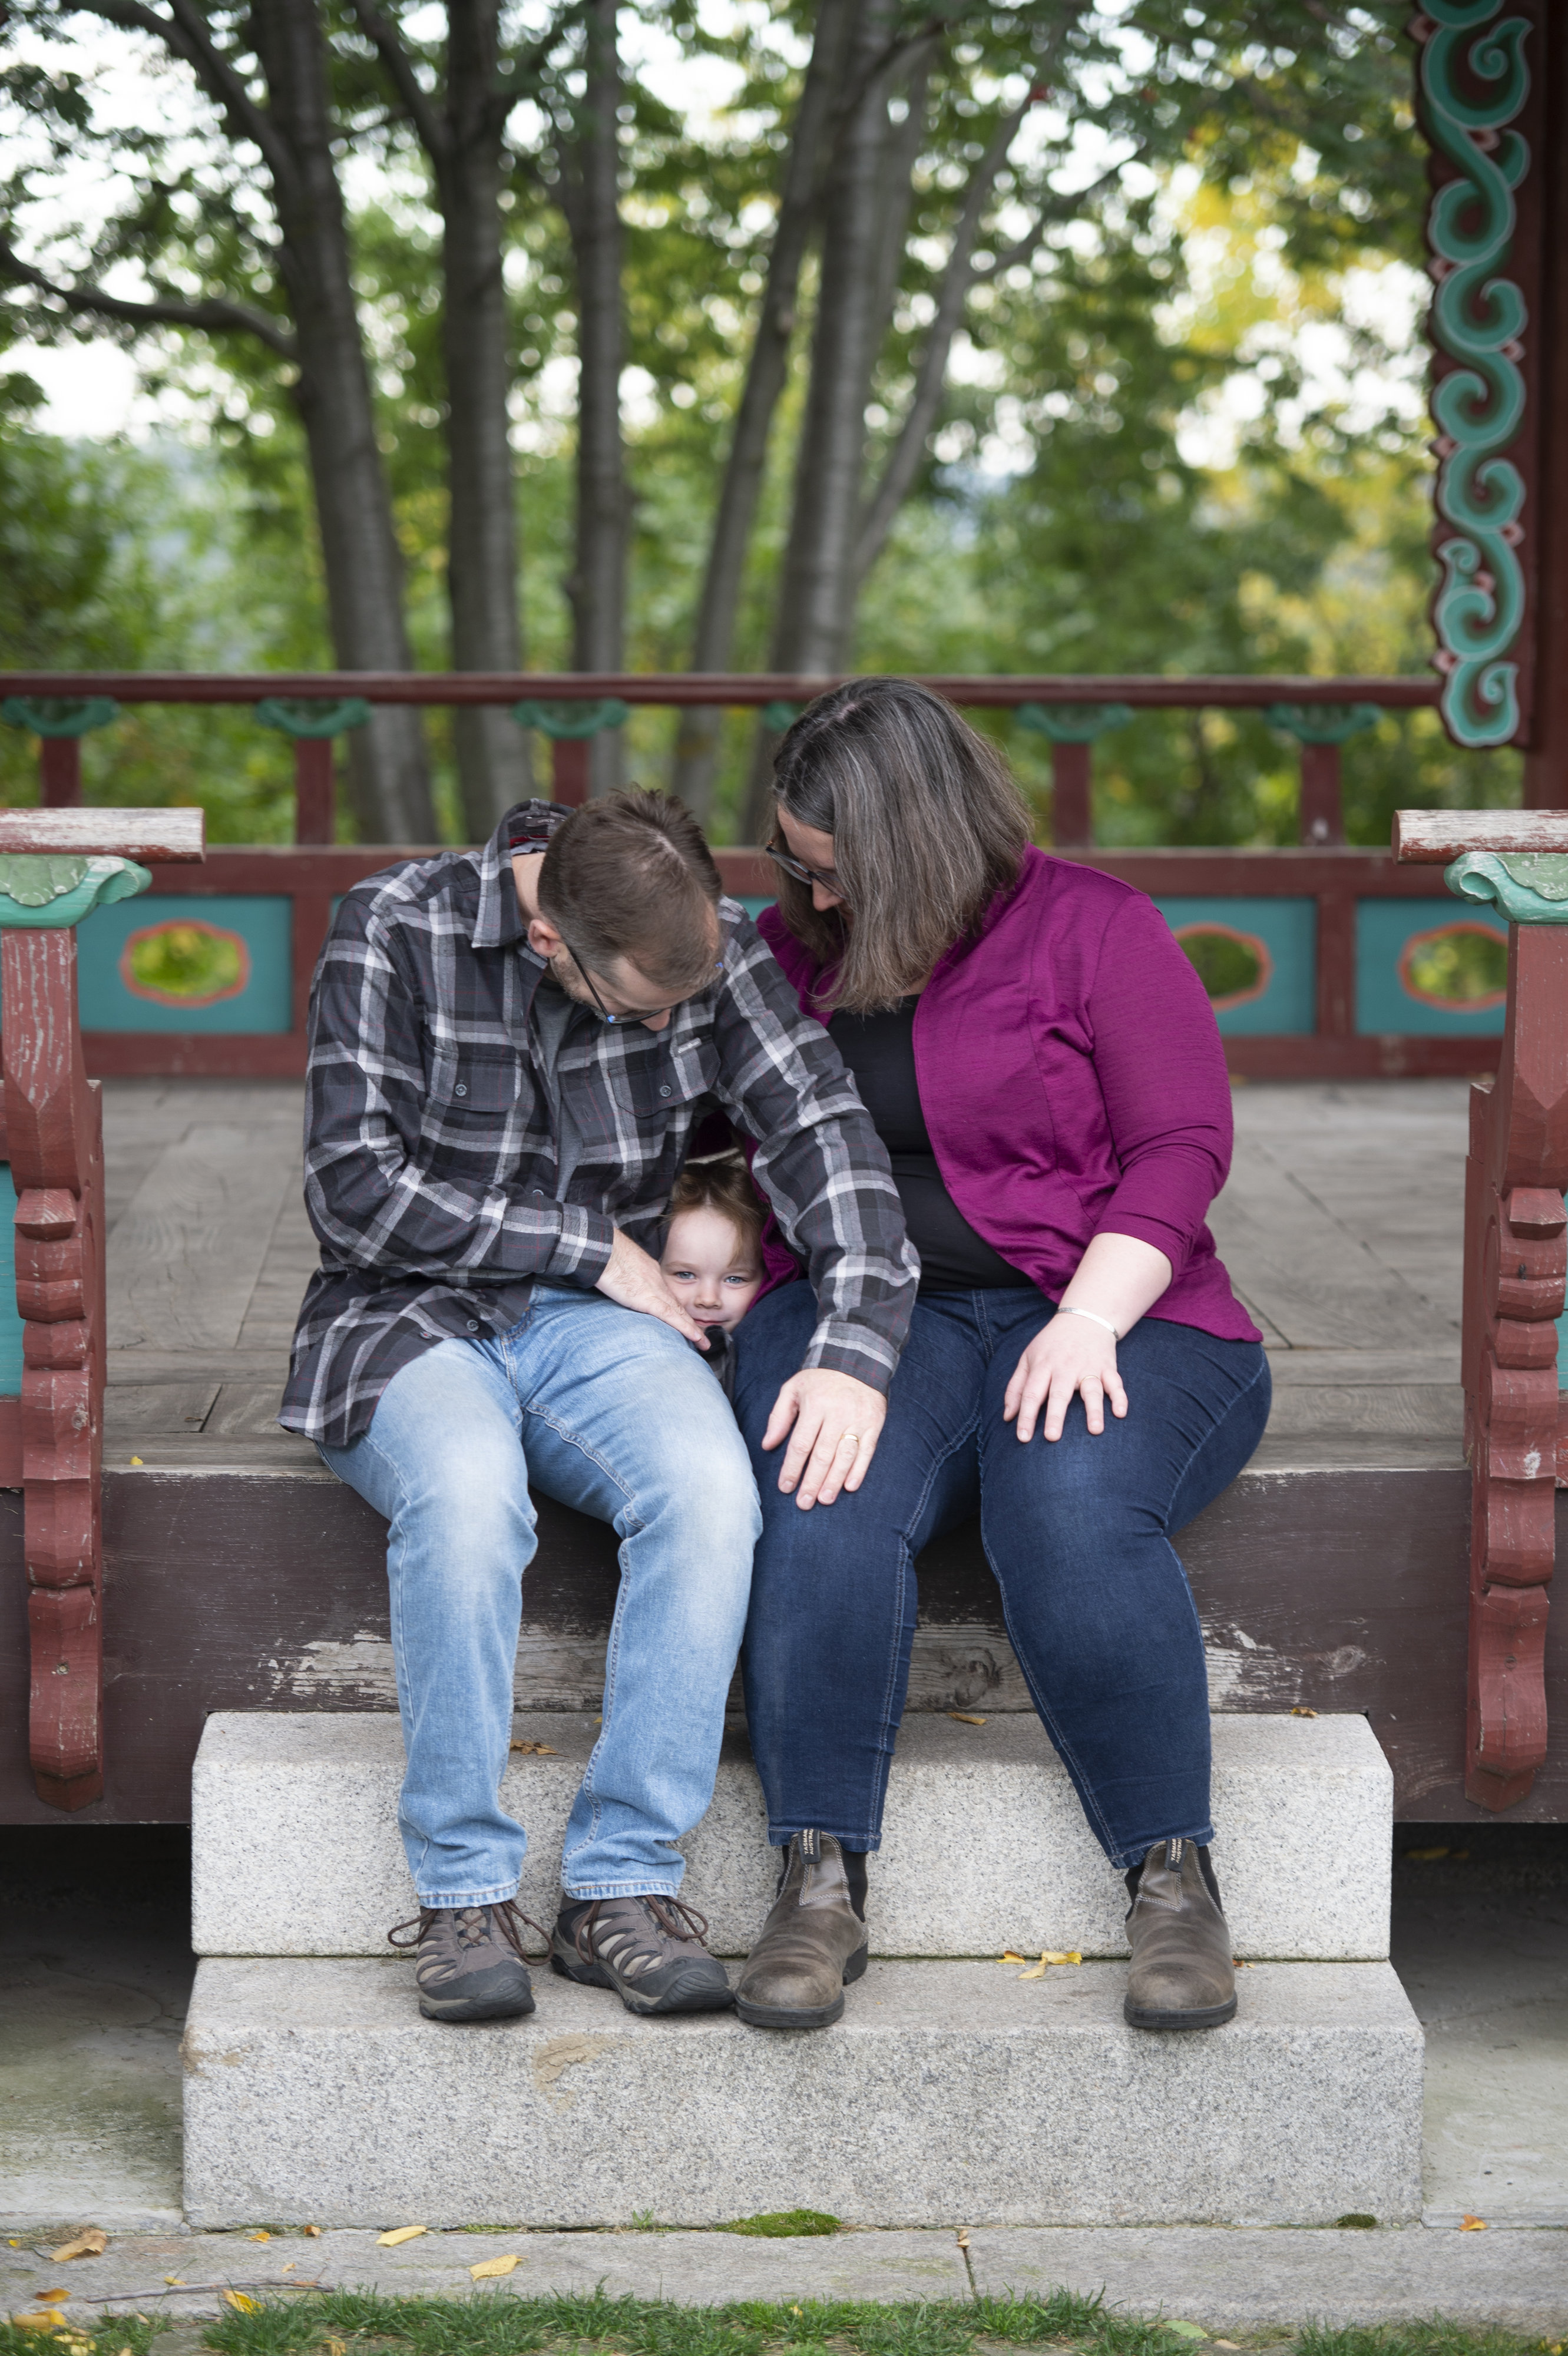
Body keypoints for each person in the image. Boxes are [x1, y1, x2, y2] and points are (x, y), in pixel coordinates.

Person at [282, 788, 916, 2026]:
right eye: (643, 1009)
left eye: (686, 999)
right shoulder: (393, 926)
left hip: (601, 1324)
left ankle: (621, 1885)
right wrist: (588, 1246)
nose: (673, 1022)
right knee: (467, 1496)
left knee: (712, 1493)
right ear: (547, 939)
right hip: (404, 1311)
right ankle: (464, 1895)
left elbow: (825, 1136)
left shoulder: (711, 947)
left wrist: (853, 1347)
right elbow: (354, 1189)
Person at [730, 679, 1272, 2035]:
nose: (812, 894)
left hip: (1106, 1304)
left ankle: (1171, 1882)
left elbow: (1180, 1145)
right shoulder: (777, 952)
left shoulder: (1094, 927)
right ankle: (816, 1876)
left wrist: (1088, 1316)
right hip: (867, 1311)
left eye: (832, 869)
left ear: (913, 843)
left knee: (1066, 1497)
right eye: (793, 863)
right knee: (819, 1492)